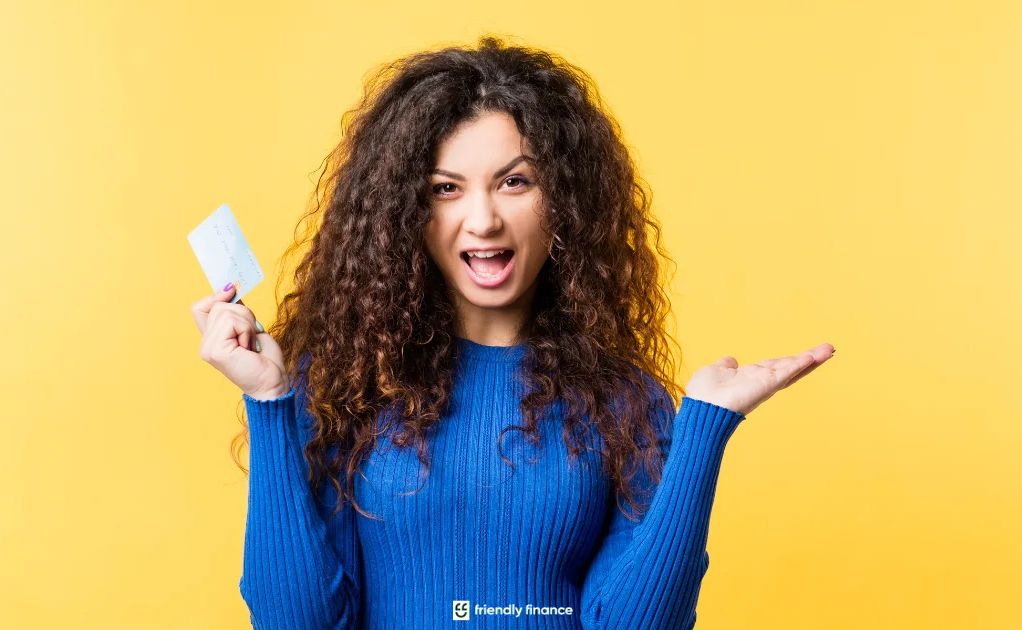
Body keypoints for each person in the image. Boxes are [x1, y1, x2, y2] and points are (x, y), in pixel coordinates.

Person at [190, 35, 834, 630]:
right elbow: (296, 621)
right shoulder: (345, 388)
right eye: (446, 188)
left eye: (514, 182)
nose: (483, 219)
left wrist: (704, 429)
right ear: (404, 213)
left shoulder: (623, 401)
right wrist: (271, 403)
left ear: (565, 200)